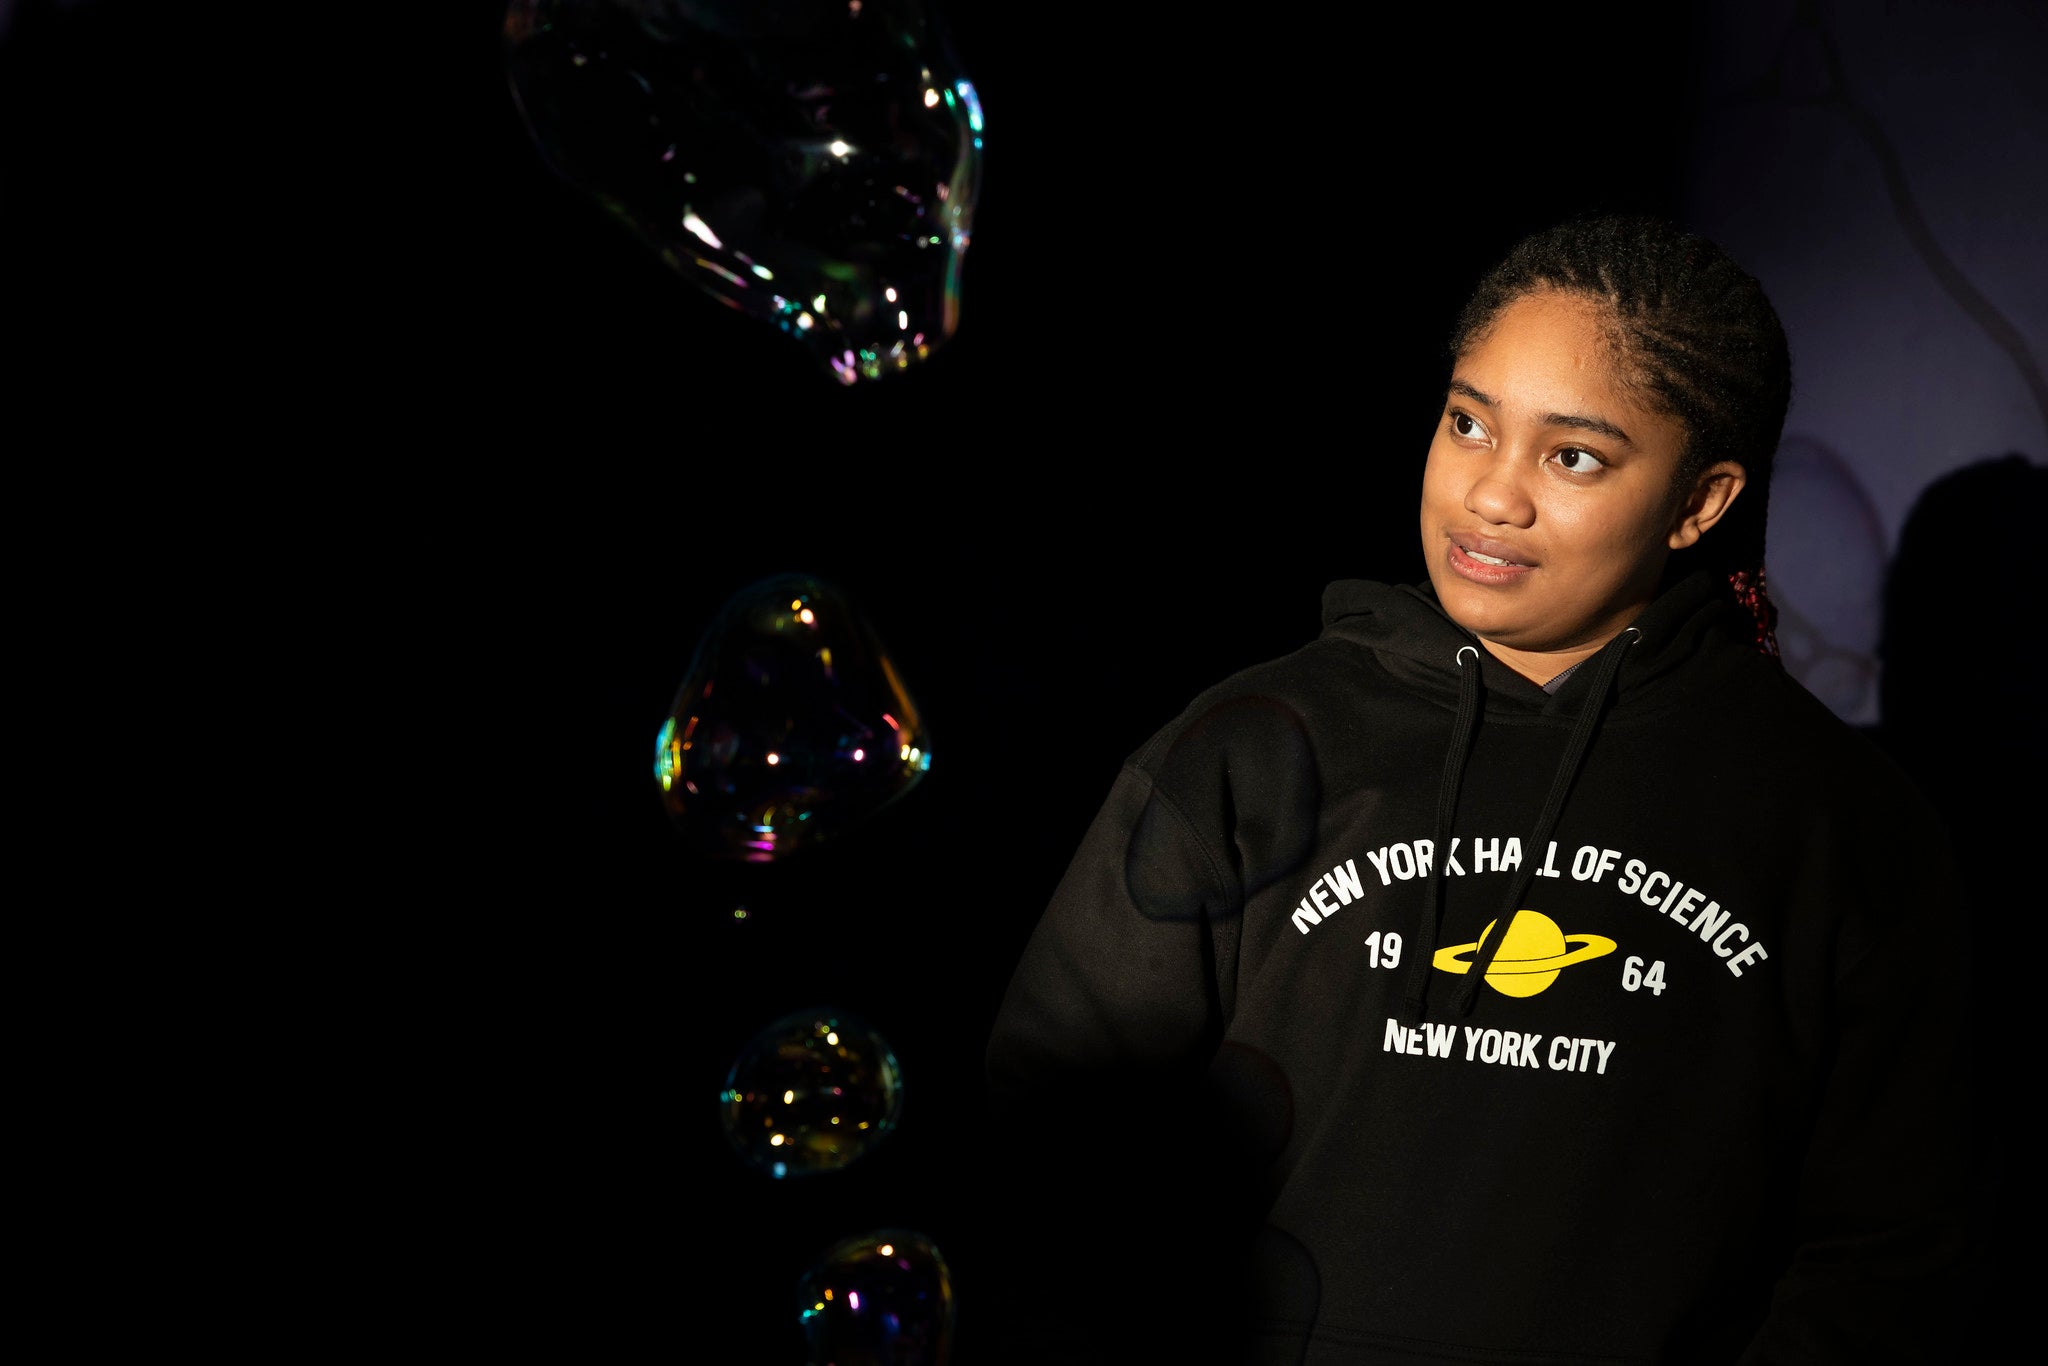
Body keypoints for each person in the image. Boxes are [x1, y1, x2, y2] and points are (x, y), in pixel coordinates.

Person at [978, 214, 1973, 1365]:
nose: (1490, 497)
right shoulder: (1245, 748)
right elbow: (1054, 1140)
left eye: (1573, 456)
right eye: (1467, 423)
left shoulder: (1833, 819)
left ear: (1698, 503)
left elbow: (1896, 1249)